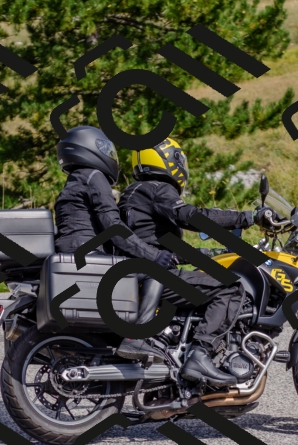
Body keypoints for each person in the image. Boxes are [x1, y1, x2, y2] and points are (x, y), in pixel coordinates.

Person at [115, 137, 274, 387]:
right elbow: (192, 217)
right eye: (179, 160)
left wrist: (208, 253)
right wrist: (249, 217)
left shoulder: (135, 192)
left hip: (138, 273)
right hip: (152, 276)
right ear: (167, 160)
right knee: (230, 289)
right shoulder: (157, 189)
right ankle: (201, 356)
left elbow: (156, 243)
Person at [53, 126, 178, 345]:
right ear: (89, 148)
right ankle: (139, 338)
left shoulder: (74, 181)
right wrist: (154, 255)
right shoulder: (94, 176)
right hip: (90, 257)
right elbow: (113, 226)